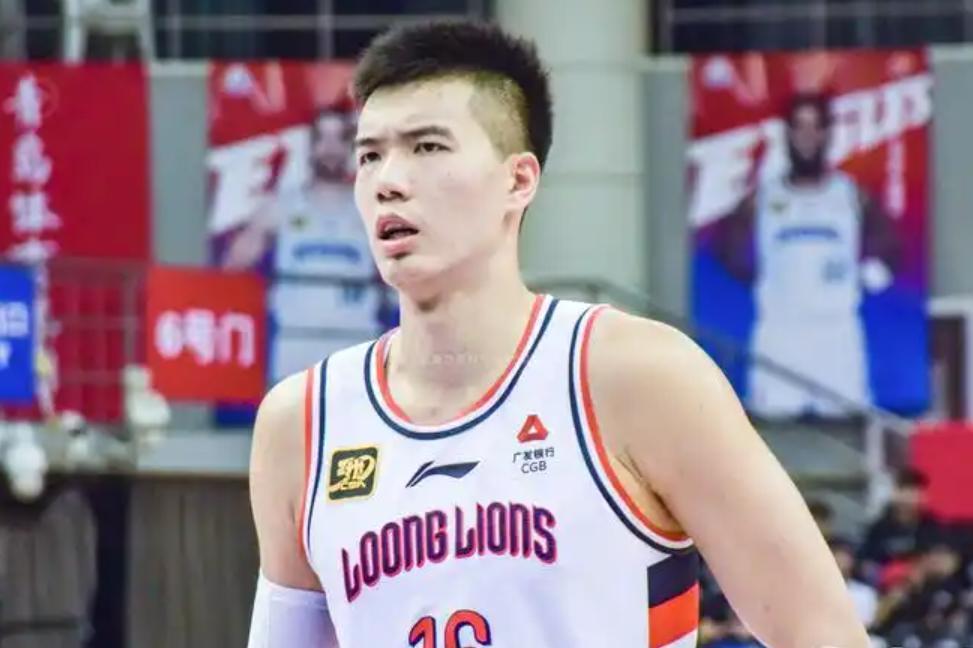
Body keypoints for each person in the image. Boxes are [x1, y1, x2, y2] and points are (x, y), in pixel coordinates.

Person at [247, 20, 869, 648]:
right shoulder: (301, 422)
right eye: (370, 155)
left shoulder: (637, 376)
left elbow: (823, 634)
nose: (389, 180)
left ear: (518, 180)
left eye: (427, 147)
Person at [712, 93, 902, 418]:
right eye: (799, 127)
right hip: (780, 334)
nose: (807, 136)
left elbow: (891, 248)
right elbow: (726, 249)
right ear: (786, 134)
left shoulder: (851, 195)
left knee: (847, 430)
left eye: (816, 127)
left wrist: (869, 277)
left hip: (836, 335)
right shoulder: (763, 197)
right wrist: (761, 280)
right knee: (773, 432)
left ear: (828, 133)